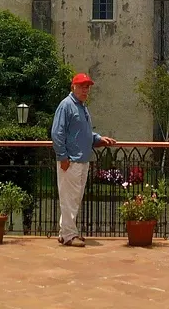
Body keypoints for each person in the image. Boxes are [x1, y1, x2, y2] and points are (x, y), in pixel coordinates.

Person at [52, 73, 116, 247]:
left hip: (81, 160)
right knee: (69, 199)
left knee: (74, 199)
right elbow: (57, 133)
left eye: (87, 86)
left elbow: (84, 133)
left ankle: (64, 233)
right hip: (71, 161)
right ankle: (69, 235)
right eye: (82, 86)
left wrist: (99, 139)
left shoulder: (82, 107)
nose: (85, 89)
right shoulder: (66, 106)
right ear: (73, 87)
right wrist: (62, 157)